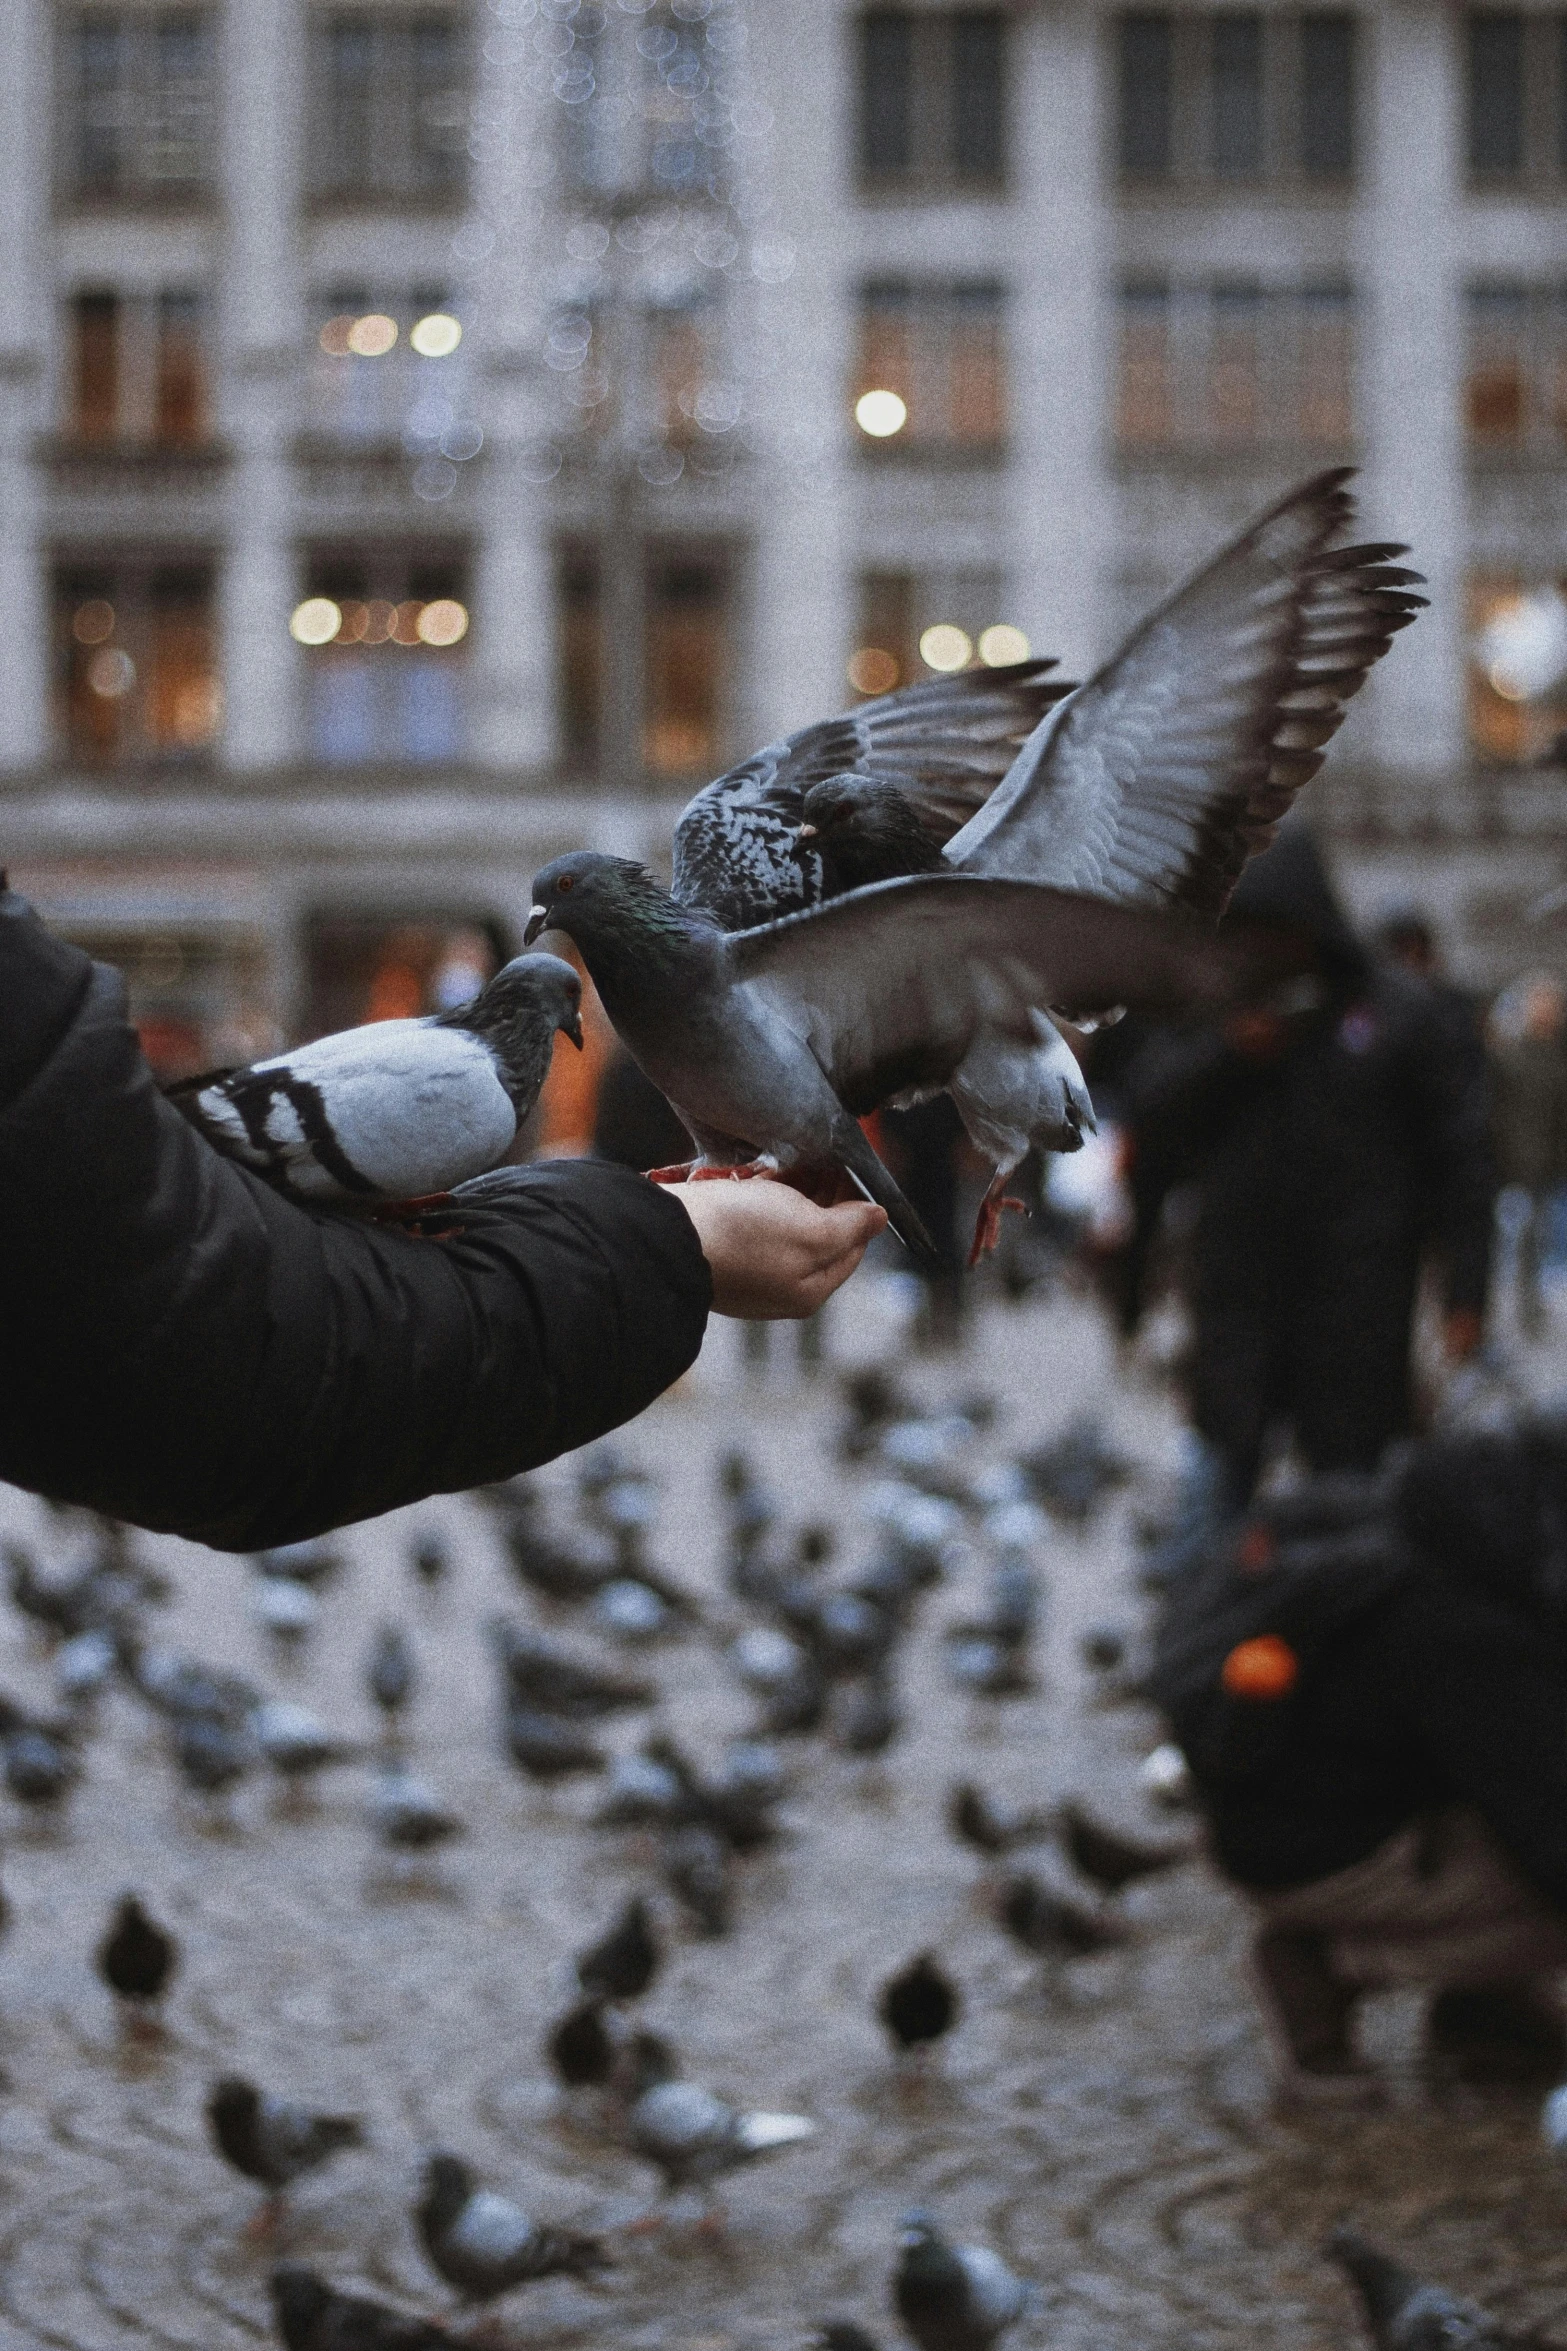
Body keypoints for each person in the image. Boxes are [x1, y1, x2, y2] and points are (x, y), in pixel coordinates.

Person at [0, 880, 883, 1549]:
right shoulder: (470, 1094)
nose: (573, 1028)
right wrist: (677, 1240)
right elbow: (250, 1367)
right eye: (565, 1013)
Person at [1154, 1426, 1567, 2100]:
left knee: (1503, 1788)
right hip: (1312, 1850)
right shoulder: (1466, 1625)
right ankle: (1328, 1964)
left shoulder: (1433, 1525)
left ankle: (1484, 2005)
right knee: (1542, 1861)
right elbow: (1550, 1823)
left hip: (1281, 1808)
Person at [1104, 823, 1496, 1519]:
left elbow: (1461, 1161)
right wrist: (1228, 1053)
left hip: (1357, 1304)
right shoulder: (1215, 1011)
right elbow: (1152, 1120)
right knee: (1225, 1495)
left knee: (1348, 1500)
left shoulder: (1399, 1014)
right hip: (1239, 1304)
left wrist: (1465, 1293)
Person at [1488, 970, 1567, 1337]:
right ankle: (1526, 1312)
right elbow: (1499, 1113)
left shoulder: (1559, 1056)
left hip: (1555, 1166)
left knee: (1548, 1241)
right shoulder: (1512, 1056)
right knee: (1526, 1241)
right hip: (1522, 1165)